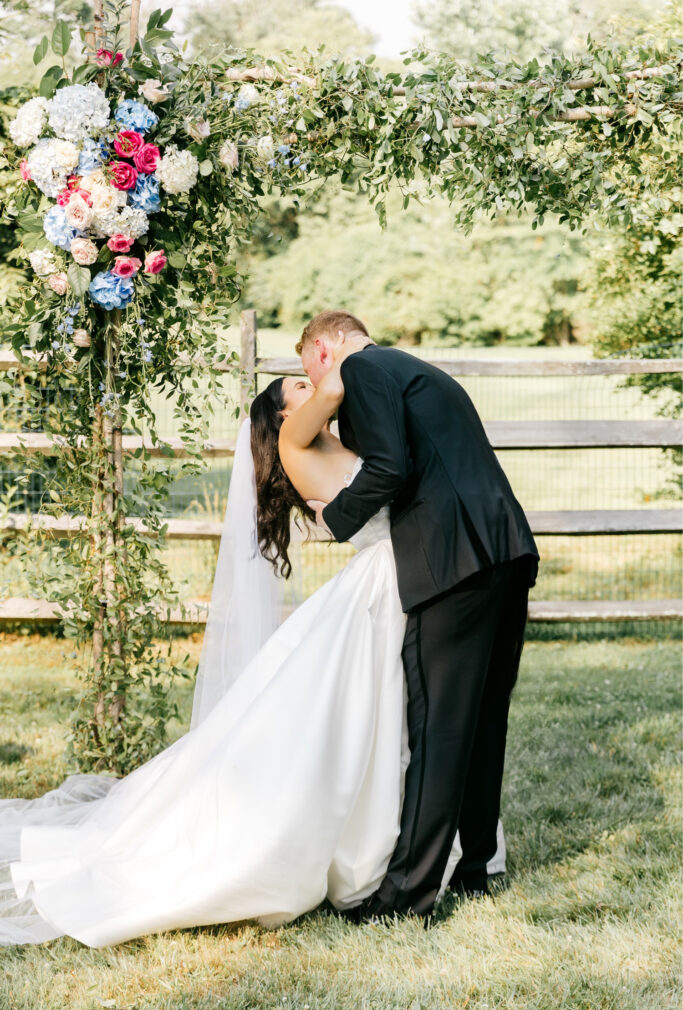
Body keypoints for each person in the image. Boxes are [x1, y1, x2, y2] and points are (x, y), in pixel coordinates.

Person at [0, 338, 505, 948]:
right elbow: (343, 386)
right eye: (296, 385)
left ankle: (425, 850)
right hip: (387, 585)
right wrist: (347, 352)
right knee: (374, 723)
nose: (308, 384)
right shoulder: (298, 436)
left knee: (402, 723)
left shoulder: (345, 444)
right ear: (286, 414)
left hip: (405, 579)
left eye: (305, 376)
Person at [298, 310, 539, 919]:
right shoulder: (418, 369)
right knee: (483, 723)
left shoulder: (362, 368)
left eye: (309, 369)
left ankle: (407, 896)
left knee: (437, 730)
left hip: (452, 563)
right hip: (507, 550)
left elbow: (390, 466)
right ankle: (479, 867)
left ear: (324, 349)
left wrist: (334, 521)